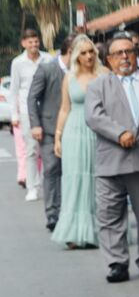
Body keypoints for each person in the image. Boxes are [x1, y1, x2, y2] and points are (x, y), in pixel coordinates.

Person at [85, 32, 139, 282]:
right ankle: (116, 263)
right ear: (108, 59)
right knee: (109, 214)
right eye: (118, 53)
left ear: (136, 54)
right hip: (111, 159)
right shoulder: (98, 85)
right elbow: (93, 116)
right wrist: (119, 133)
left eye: (128, 51)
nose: (124, 57)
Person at [52, 34, 103, 249]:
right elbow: (65, 108)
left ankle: (97, 231)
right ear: (75, 56)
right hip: (73, 132)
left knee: (97, 182)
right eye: (83, 53)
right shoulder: (69, 78)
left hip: (97, 132)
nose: (88, 56)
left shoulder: (105, 75)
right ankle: (73, 232)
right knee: (74, 181)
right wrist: (58, 136)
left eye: (91, 51)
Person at [29, 34, 73, 231]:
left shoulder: (81, 71)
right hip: (48, 129)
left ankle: (68, 211)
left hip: (74, 129)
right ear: (70, 51)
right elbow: (32, 98)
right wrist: (35, 124)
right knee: (52, 170)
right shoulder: (47, 68)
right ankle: (53, 214)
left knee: (70, 172)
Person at [10, 28, 46, 200]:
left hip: (47, 110)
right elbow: (14, 90)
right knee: (31, 150)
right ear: (24, 43)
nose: (34, 45)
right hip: (27, 112)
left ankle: (49, 185)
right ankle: (32, 186)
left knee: (49, 151)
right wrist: (14, 115)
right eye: (30, 42)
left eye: (36, 41)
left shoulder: (48, 59)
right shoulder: (18, 63)